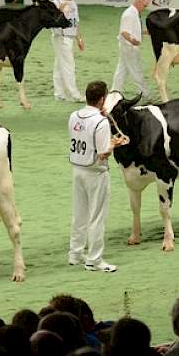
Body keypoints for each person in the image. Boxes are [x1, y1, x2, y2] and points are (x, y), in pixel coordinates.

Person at [68, 81, 126, 273]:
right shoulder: (101, 122)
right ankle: (94, 259)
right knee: (97, 216)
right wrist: (114, 144)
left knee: (79, 214)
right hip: (96, 172)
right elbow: (103, 153)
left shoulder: (74, 116)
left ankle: (75, 253)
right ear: (102, 99)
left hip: (77, 169)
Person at [112, 0, 150, 97]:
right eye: (144, 5)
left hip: (127, 46)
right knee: (136, 70)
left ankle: (115, 91)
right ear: (138, 2)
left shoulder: (134, 13)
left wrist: (145, 32)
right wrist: (133, 41)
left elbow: (132, 30)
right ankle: (145, 93)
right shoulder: (129, 14)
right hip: (129, 47)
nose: (145, 8)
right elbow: (124, 32)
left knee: (122, 70)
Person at [52, 0, 84, 102]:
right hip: (61, 36)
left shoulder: (74, 3)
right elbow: (53, 19)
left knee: (59, 66)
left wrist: (79, 39)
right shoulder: (57, 2)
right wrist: (61, 9)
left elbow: (75, 23)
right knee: (68, 66)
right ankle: (74, 95)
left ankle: (59, 94)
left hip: (69, 37)